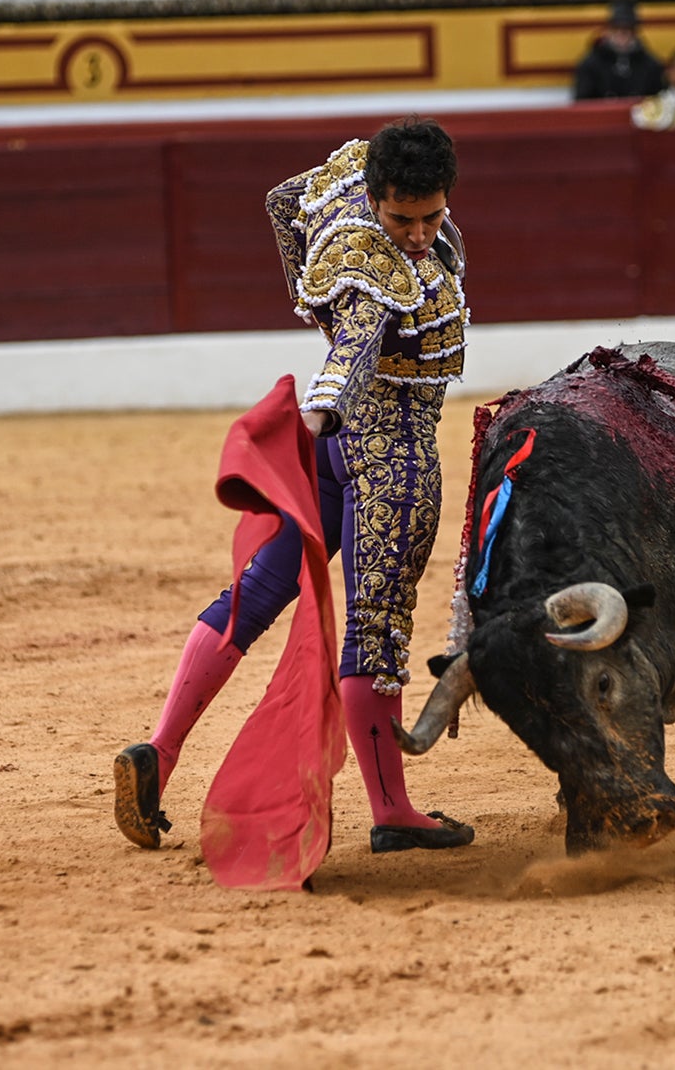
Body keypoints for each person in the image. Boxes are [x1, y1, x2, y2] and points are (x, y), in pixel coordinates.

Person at [113, 117, 476, 857]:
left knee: (258, 589)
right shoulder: (372, 268)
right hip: (389, 460)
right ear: (376, 199)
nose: (414, 234)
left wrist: (306, 292)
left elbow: (284, 200)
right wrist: (323, 402)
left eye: (430, 216)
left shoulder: (345, 191)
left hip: (330, 459)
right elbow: (355, 342)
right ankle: (392, 810)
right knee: (376, 628)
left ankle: (162, 748)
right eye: (400, 217)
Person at [573, 0, 666, 101]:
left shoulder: (650, 65)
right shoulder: (590, 65)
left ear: (635, 32)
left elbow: (659, 103)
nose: (621, 33)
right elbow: (582, 104)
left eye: (627, 29)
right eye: (616, 28)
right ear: (608, 30)